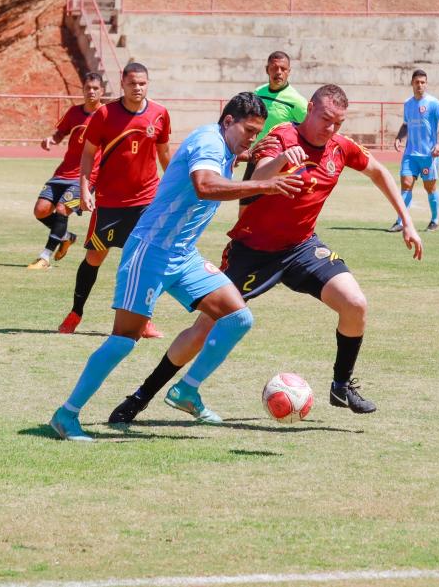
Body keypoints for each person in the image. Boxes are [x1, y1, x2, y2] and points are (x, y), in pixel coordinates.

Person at [107, 84, 424, 425]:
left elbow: (378, 170)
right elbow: (257, 177)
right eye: (325, 119)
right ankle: (142, 397)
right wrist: (283, 161)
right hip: (251, 251)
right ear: (310, 109)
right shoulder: (281, 136)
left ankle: (341, 386)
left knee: (355, 304)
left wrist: (407, 222)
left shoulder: (340, 147)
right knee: (205, 328)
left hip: (301, 247)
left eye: (338, 123)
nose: (330, 128)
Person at [48, 92, 304, 441]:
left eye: (257, 133)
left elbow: (235, 165)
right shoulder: (208, 141)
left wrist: (264, 157)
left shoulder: (226, 145)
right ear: (229, 121)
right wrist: (265, 185)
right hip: (150, 252)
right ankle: (67, 414)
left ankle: (186, 390)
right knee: (124, 340)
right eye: (249, 131)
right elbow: (204, 185)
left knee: (238, 318)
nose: (252, 138)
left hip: (183, 255)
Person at [56, 63, 171, 338]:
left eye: (142, 83)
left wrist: (174, 188)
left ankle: (143, 320)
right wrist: (85, 189)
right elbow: (88, 154)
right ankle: (75, 313)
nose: (137, 88)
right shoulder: (105, 114)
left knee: (145, 262)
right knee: (95, 257)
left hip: (146, 202)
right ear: (122, 84)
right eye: (132, 83)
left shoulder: (160, 114)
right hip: (110, 202)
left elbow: (165, 154)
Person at [27, 72, 106, 270]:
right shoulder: (74, 112)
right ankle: (65, 236)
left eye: (95, 88)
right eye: (88, 88)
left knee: (62, 209)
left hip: (86, 176)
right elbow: (61, 132)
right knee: (41, 210)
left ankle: (45, 257)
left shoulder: (108, 115)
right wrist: (51, 140)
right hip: (63, 172)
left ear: (102, 91)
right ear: (83, 90)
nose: (91, 91)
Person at [238, 51, 307, 212]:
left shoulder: (297, 102)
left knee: (273, 212)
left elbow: (309, 130)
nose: (278, 72)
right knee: (244, 209)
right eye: (274, 68)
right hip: (255, 158)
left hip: (279, 163)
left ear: (289, 71)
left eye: (283, 68)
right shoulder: (257, 93)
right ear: (267, 69)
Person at [389, 69, 439, 233]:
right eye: (417, 82)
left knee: (430, 188)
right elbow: (406, 124)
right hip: (410, 154)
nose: (420, 85)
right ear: (412, 83)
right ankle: (401, 221)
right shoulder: (408, 103)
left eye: (423, 82)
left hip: (429, 155)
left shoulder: (433, 103)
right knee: (406, 185)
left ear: (426, 84)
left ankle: (435, 220)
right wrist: (399, 137)